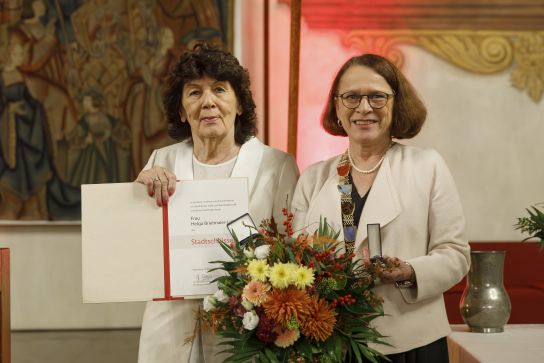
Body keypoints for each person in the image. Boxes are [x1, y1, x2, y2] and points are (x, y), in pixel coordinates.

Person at [291, 54, 469, 362]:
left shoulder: (427, 167)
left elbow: (455, 254)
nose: (363, 108)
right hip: (333, 342)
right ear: (337, 106)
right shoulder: (313, 178)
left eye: (377, 96)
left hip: (412, 343)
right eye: (351, 97)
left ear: (396, 103)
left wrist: (410, 270)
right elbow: (297, 260)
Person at [135, 44, 299, 363]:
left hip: (246, 328)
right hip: (172, 327)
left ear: (239, 104)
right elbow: (141, 247)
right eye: (194, 93)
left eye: (220, 90)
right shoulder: (160, 160)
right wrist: (139, 191)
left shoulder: (277, 166)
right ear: (182, 110)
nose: (208, 102)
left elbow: (293, 249)